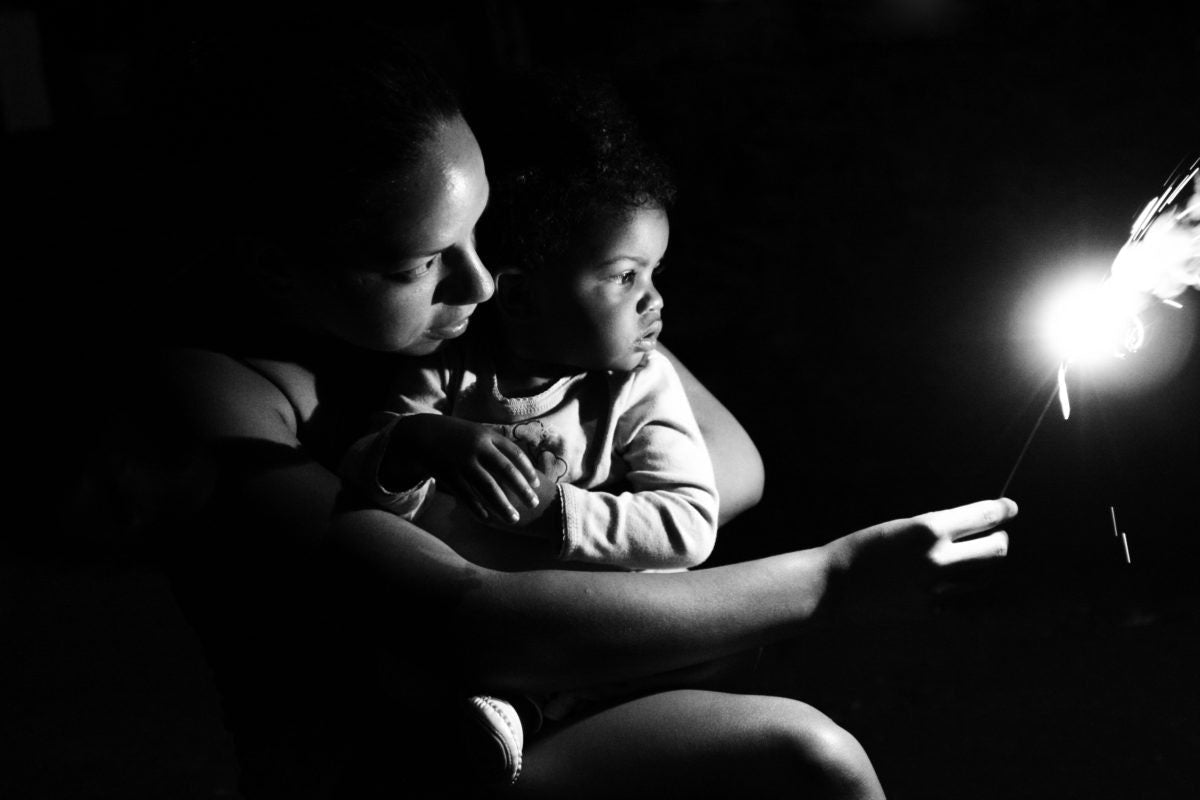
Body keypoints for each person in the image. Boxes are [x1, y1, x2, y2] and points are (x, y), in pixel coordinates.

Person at [155, 17, 1015, 799]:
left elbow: (731, 465)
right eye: (419, 264)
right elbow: (473, 625)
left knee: (812, 753)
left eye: (484, 234)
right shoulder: (217, 399)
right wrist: (829, 578)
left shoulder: (481, 334)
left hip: (557, 696)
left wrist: (548, 498)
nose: (484, 283)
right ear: (273, 263)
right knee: (796, 755)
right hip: (404, 767)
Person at [337, 73, 718, 782]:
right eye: (624, 277)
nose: (654, 299)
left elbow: (691, 523)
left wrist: (559, 515)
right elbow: (365, 489)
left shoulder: (639, 385)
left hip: (588, 627)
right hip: (474, 628)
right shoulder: (453, 373)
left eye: (653, 273)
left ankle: (528, 716)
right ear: (517, 295)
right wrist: (419, 445)